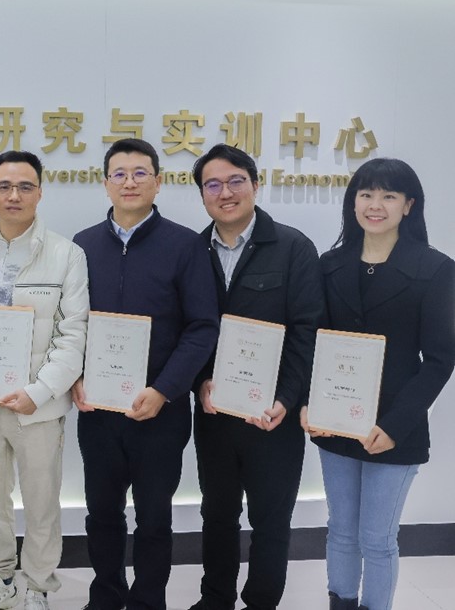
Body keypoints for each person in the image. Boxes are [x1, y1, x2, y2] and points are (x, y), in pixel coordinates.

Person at [72, 138, 219, 610]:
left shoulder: (185, 245)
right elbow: (69, 324)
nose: (129, 182)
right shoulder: (82, 245)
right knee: (102, 513)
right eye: (119, 173)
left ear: (158, 182)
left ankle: (149, 599)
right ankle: (106, 594)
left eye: (140, 173)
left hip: (161, 411)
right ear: (105, 183)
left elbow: (202, 327)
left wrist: (164, 390)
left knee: (154, 517)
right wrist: (74, 377)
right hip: (98, 410)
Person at [301, 158, 454, 610]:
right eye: (366, 194)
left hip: (394, 428)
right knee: (341, 530)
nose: (375, 204)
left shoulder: (435, 269)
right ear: (352, 203)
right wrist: (309, 403)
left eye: (389, 195)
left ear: (408, 205)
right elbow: (313, 342)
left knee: (377, 538)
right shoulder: (329, 264)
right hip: (336, 421)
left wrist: (395, 425)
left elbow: (440, 359)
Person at [187, 145, 322, 610]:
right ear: (202, 194)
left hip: (273, 416)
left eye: (235, 181)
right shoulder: (192, 252)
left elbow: (307, 331)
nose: (225, 193)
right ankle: (215, 598)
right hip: (214, 412)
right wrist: (199, 383)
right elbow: (187, 329)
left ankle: (262, 601)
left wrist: (286, 397)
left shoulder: (293, 247)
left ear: (255, 185)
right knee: (216, 513)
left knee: (271, 519)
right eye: (213, 184)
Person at [0, 151, 89, 610]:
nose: (13, 195)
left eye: (25, 187)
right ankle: (1, 580)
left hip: (38, 405)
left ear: (40, 192)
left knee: (41, 502)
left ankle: (37, 586)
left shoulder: (66, 254)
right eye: (4, 186)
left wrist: (38, 392)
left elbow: (73, 333)